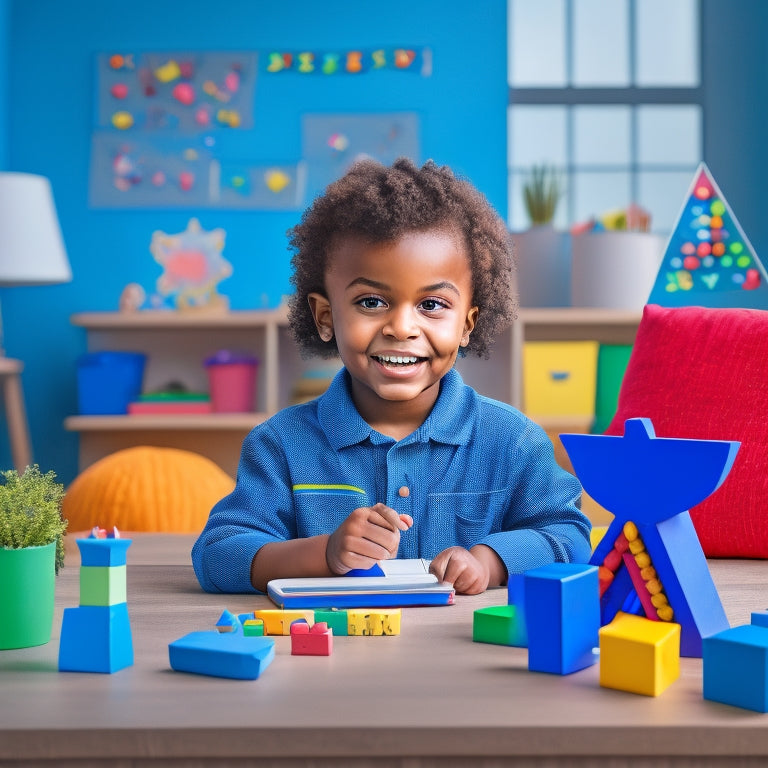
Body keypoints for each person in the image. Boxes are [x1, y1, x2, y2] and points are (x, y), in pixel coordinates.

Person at [192, 157, 591, 595]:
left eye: (432, 305)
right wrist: (324, 554)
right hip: (329, 658)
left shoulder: (512, 440)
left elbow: (569, 535)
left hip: (460, 658)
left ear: (467, 325)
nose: (402, 327)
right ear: (326, 317)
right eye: (371, 302)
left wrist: (489, 561)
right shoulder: (281, 446)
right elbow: (219, 553)